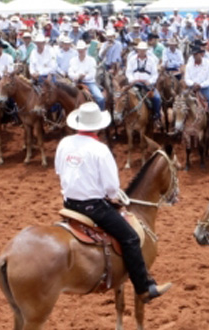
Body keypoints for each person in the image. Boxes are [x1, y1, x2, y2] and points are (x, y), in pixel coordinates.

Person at [57, 102, 172, 303]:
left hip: (69, 205)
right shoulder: (100, 149)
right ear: (98, 126)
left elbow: (60, 171)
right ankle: (144, 288)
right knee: (130, 238)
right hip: (93, 207)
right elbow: (112, 187)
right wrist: (112, 196)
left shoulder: (64, 143)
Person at [183, 47, 209, 137]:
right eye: (193, 55)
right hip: (191, 89)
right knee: (179, 104)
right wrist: (193, 84)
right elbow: (187, 78)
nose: (195, 56)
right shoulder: (189, 65)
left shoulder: (208, 64)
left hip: (205, 89)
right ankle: (179, 126)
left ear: (201, 54)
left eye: (196, 54)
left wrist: (201, 85)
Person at [125, 42, 163, 128]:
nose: (142, 52)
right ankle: (123, 117)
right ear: (137, 50)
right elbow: (128, 72)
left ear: (146, 51)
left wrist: (150, 81)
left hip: (147, 84)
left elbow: (155, 74)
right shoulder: (132, 59)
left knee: (157, 98)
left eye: (144, 50)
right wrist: (132, 80)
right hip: (135, 83)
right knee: (124, 97)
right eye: (140, 50)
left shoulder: (151, 60)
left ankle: (156, 117)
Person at [68, 40, 104, 110]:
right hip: (76, 82)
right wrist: (78, 76)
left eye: (82, 50)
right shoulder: (73, 60)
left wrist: (83, 77)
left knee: (100, 98)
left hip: (89, 83)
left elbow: (92, 75)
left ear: (85, 49)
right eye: (79, 50)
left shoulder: (91, 60)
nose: (80, 51)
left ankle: (101, 113)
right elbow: (70, 73)